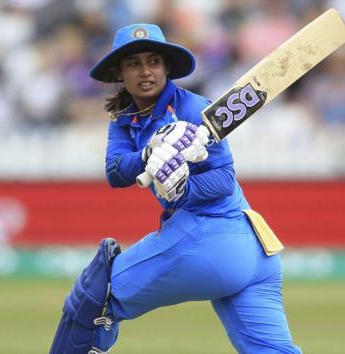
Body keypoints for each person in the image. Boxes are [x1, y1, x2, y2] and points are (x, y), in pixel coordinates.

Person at [49, 23, 301, 354]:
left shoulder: (194, 110)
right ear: (118, 72)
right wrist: (148, 153)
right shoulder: (125, 119)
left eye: (153, 61)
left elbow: (224, 179)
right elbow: (115, 172)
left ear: (167, 67)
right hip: (255, 253)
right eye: (133, 63)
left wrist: (183, 188)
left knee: (96, 296)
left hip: (213, 237)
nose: (145, 71)